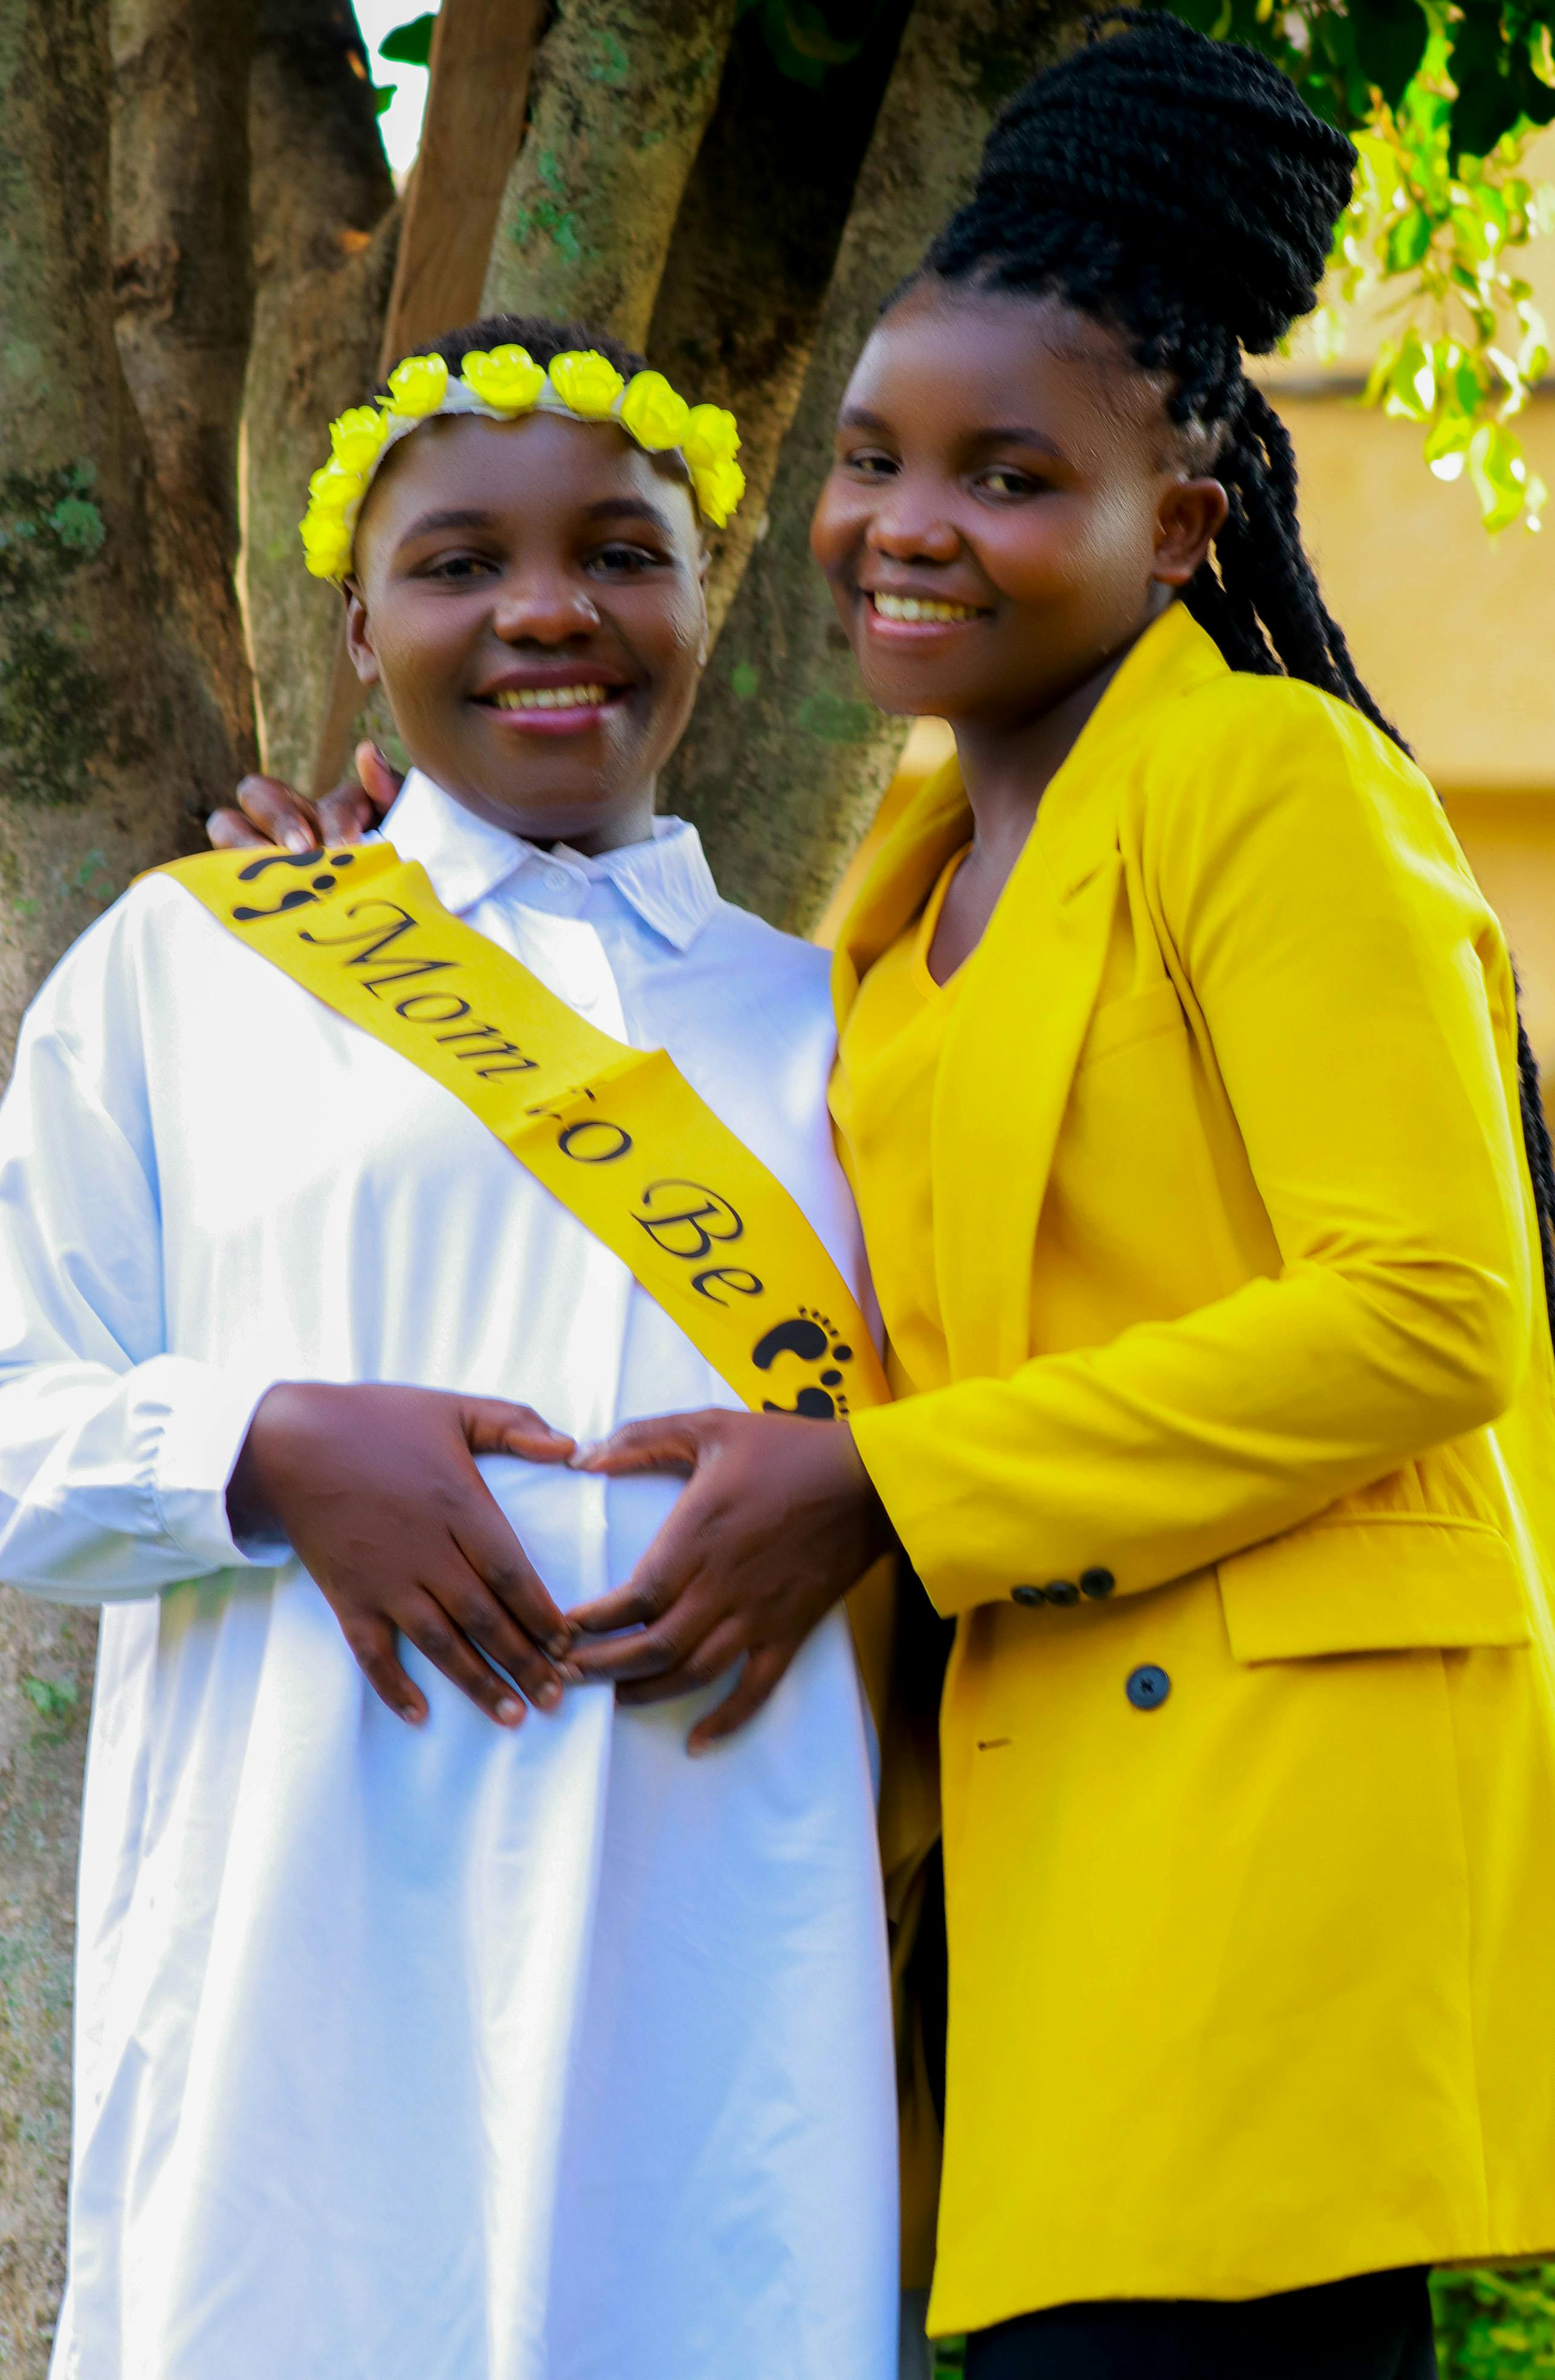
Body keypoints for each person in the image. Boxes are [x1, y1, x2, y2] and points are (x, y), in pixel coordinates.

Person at [533, 15, 1555, 2375]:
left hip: (1275, 1830)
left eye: (1004, 474)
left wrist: (888, 1490)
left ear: (1179, 527)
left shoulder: (1271, 787)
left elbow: (1429, 1315)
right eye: (870, 461)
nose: (900, 524)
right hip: (1030, 1815)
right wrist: (356, 902)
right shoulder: (913, 855)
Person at [0, 317, 900, 2380]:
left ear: (704, 594)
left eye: (619, 550)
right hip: (296, 1996)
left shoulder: (843, 1023)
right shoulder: (196, 962)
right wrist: (267, 1445)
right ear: (359, 629)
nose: (548, 610)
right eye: (460, 562)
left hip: (721, 1981)